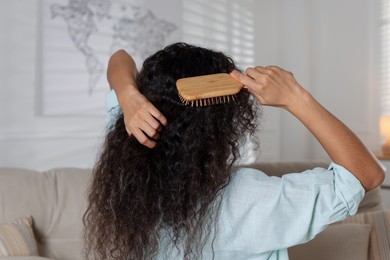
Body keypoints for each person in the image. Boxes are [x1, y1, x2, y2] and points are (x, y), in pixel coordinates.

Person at [83, 42, 385, 260]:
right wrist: (296, 98)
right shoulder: (249, 199)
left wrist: (127, 96)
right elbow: (366, 175)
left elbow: (120, 58)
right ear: (220, 124)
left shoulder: (134, 138)